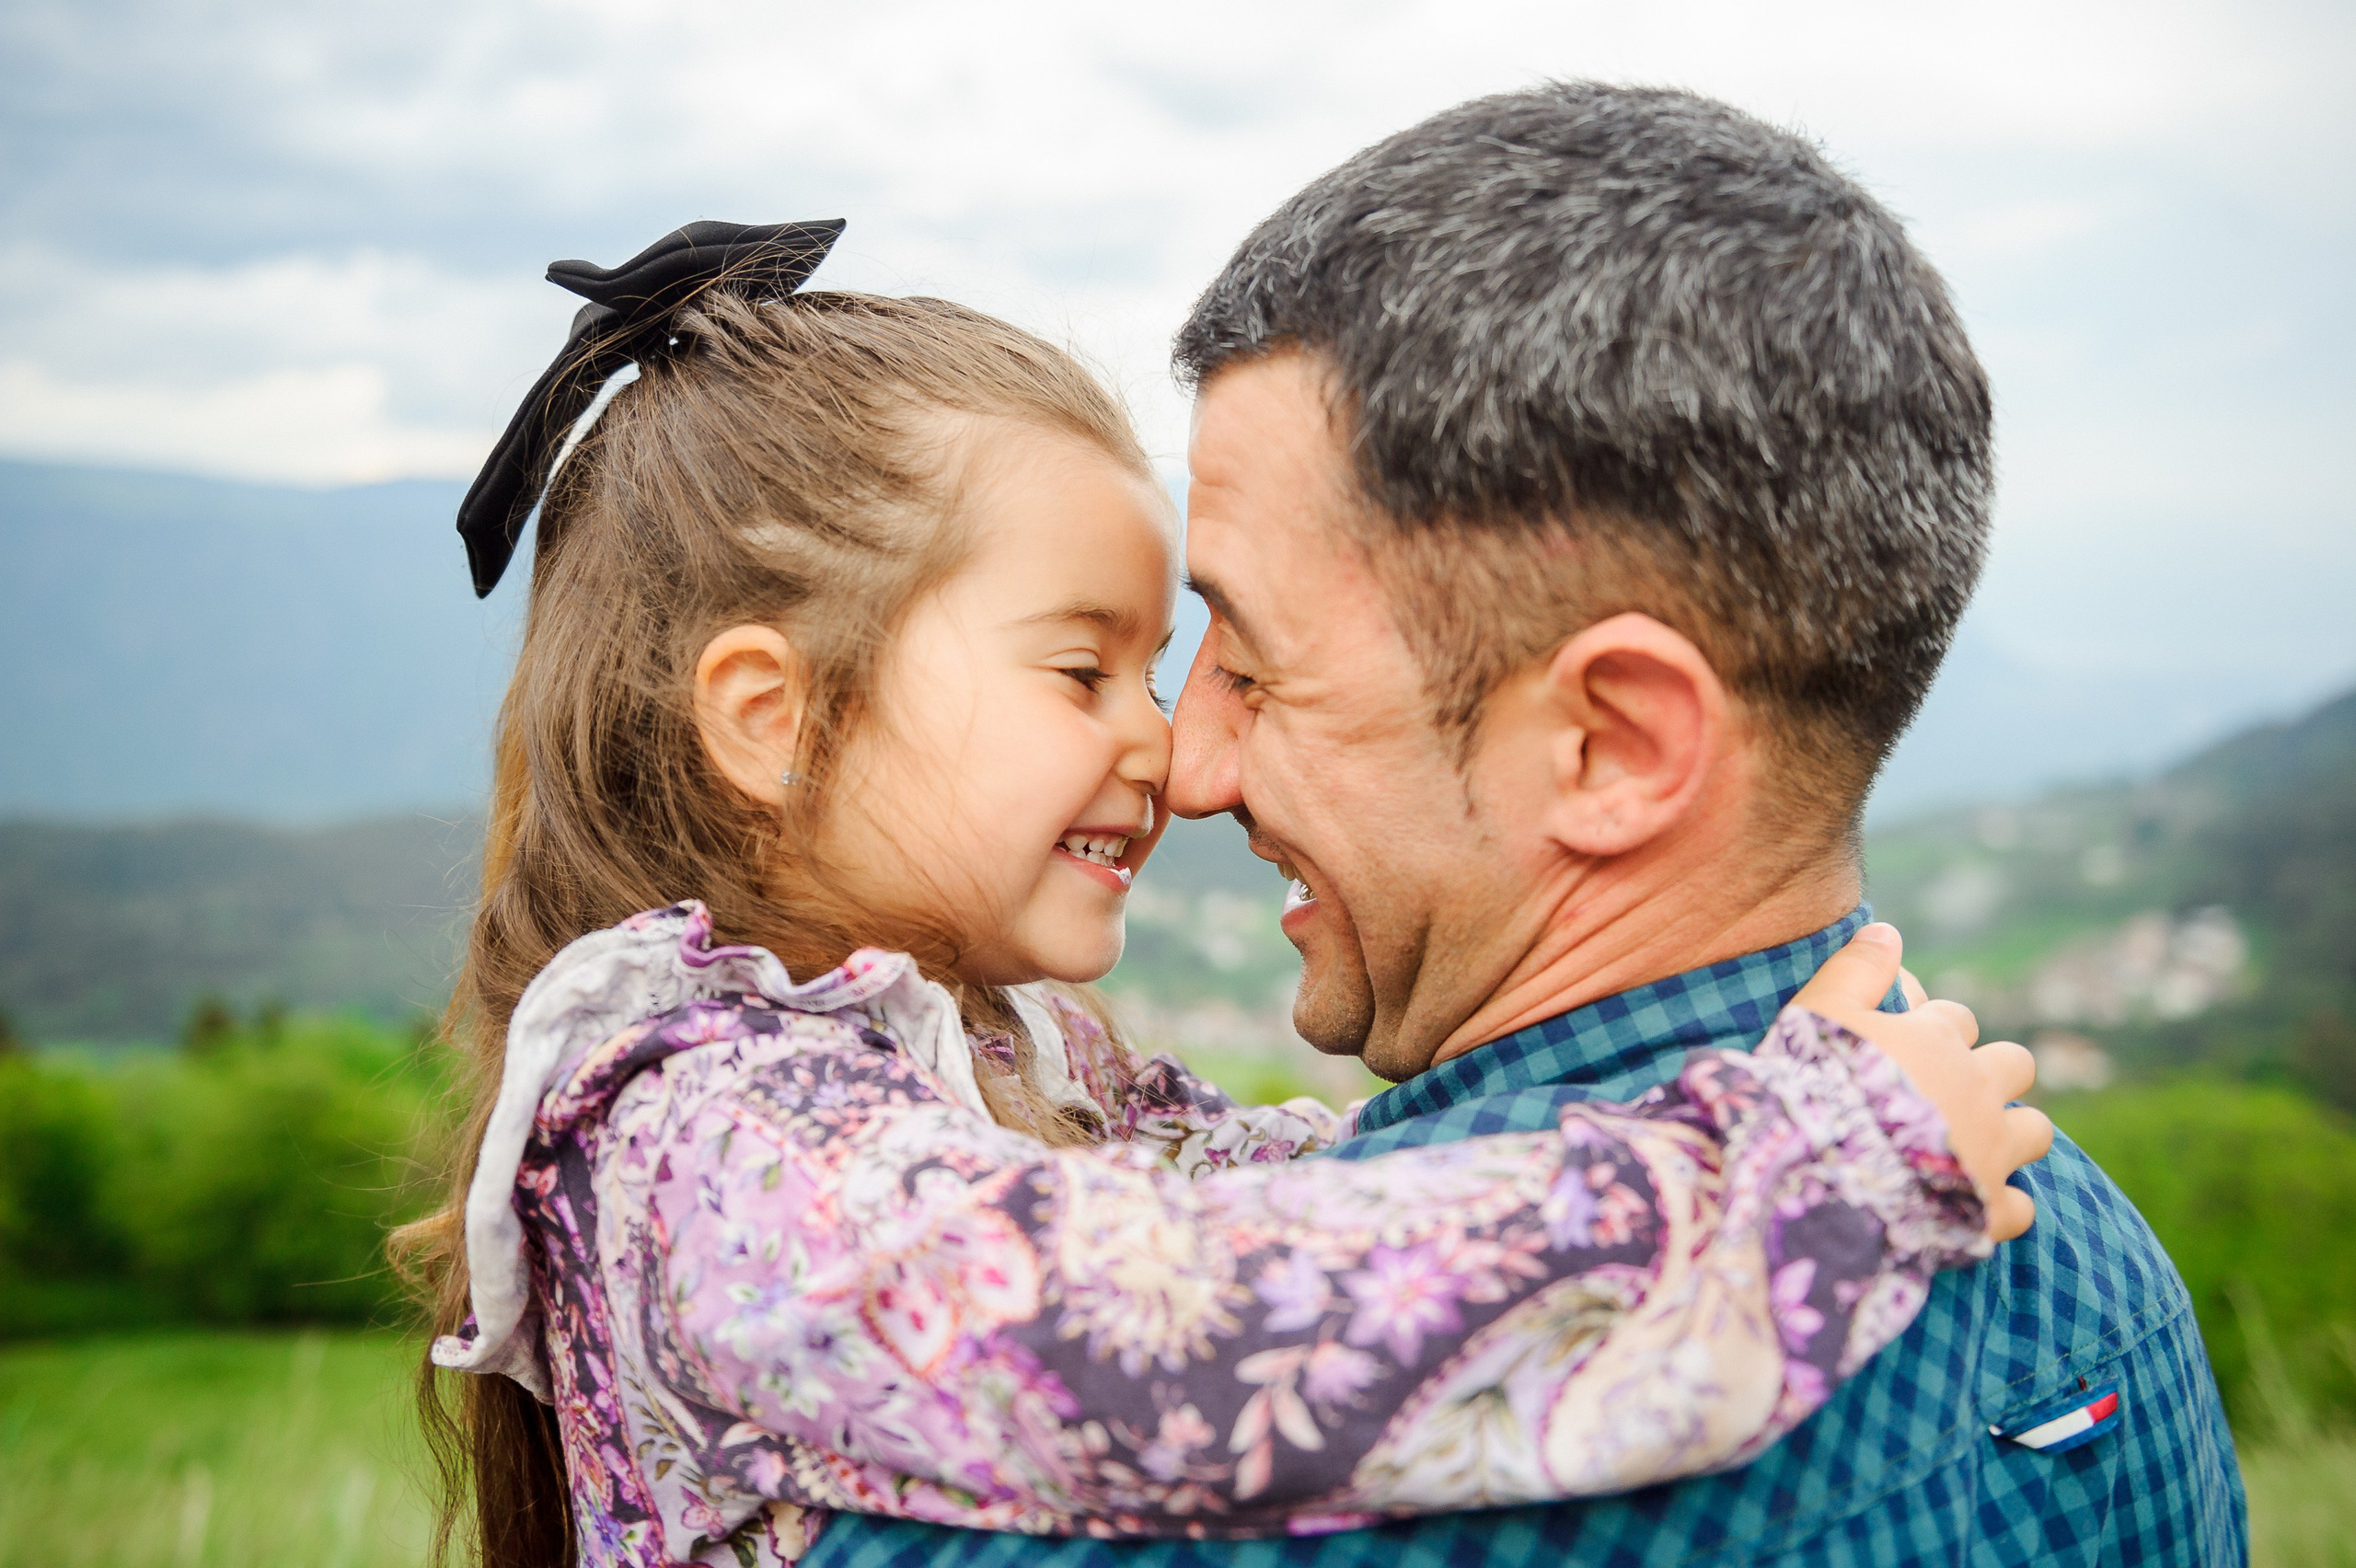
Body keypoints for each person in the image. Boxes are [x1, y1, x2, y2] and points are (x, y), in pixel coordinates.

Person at [398, 221, 2049, 1568]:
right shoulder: (707, 1139)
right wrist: (1809, 1164)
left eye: (1171, 663)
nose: (1170, 750)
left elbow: (1276, 1176)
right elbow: (1188, 1334)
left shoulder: (1000, 1051)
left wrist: (1601, 1093)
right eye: (1082, 670)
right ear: (774, 718)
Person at [804, 84, 2246, 1568]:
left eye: (1249, 657)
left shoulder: (1183, 1460)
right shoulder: (2083, 1257)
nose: (1194, 764)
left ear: (1614, 746)